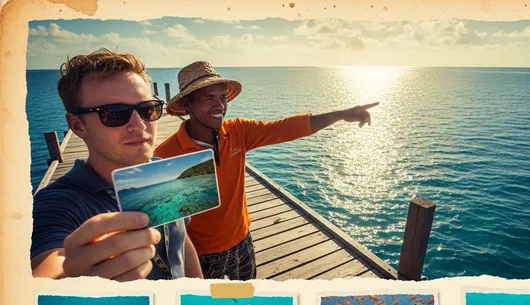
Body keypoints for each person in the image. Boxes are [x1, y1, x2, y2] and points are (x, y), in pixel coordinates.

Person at [155, 61, 378, 280]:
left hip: (242, 241)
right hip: (201, 254)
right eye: (209, 98)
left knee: (244, 299)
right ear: (187, 104)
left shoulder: (238, 132)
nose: (220, 106)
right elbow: (164, 220)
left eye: (222, 98)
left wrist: (339, 114)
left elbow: (285, 128)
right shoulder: (167, 154)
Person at [31, 48, 203, 281]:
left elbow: (181, 243)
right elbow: (49, 267)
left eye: (147, 109)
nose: (139, 125)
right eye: (114, 114)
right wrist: (69, 282)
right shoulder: (57, 204)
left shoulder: (161, 169)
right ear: (78, 125)